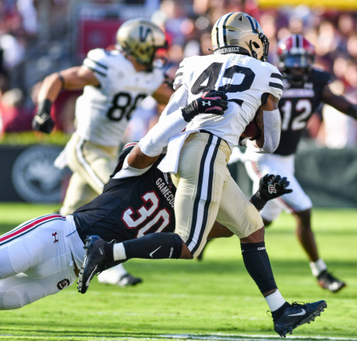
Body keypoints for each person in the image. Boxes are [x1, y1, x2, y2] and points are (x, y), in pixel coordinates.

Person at [77, 13, 327, 337]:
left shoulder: (192, 64)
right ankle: (108, 252)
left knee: (251, 226)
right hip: (209, 150)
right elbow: (272, 144)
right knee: (189, 243)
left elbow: (169, 117)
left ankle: (281, 311)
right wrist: (250, 126)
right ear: (249, 39)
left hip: (184, 148)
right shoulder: (267, 72)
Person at [0, 92, 288, 316]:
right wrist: (186, 113)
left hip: (69, 273)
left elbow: (211, 232)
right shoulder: (138, 167)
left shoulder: (193, 192)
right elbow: (144, 149)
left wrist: (257, 199)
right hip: (60, 237)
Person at [32, 19, 174, 287]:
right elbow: (58, 79)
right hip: (87, 145)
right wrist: (43, 110)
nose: (159, 55)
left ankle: (33, 252)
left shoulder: (148, 74)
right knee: (118, 199)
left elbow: (174, 99)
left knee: (68, 215)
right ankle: (109, 264)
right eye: (155, 49)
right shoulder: (109, 66)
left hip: (110, 150)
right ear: (140, 48)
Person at [243, 34, 357, 293]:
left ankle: (207, 237)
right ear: (282, 61)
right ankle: (321, 271)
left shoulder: (316, 80)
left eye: (303, 61)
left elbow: (334, 100)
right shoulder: (270, 78)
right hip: (264, 156)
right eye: (293, 61)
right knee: (303, 209)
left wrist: (355, 110)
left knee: (261, 219)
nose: (300, 67)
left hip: (286, 159)